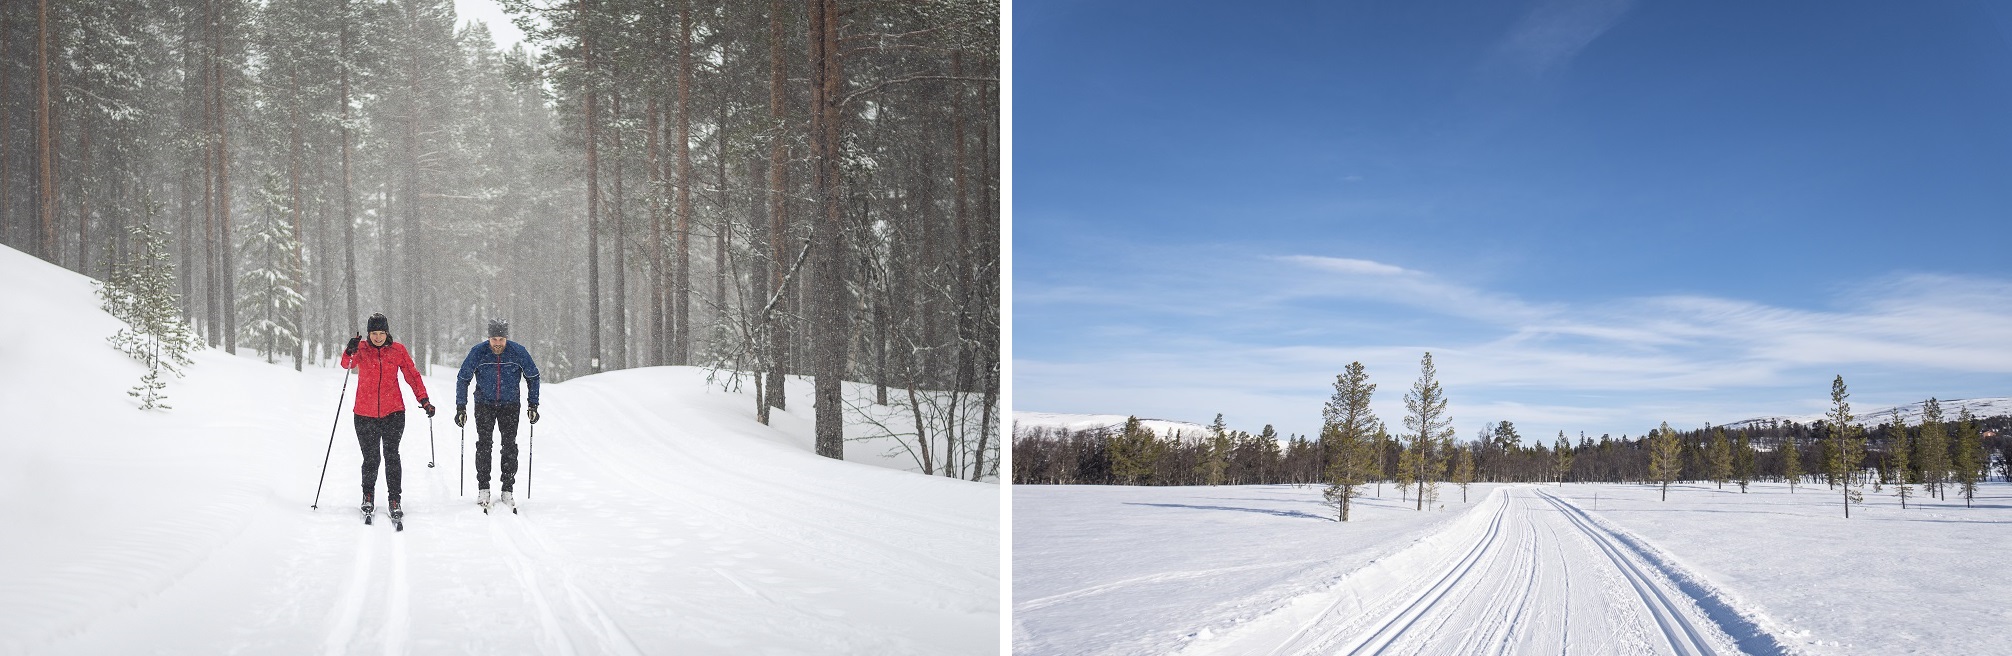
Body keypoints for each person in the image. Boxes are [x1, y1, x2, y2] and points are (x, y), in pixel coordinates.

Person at [341, 313, 434, 524]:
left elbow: (412, 375)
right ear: (368, 334)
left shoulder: (398, 350)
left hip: (393, 412)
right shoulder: (362, 349)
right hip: (364, 414)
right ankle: (368, 495)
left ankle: (394, 499)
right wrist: (350, 349)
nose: (377, 337)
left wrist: (424, 399)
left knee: (392, 456)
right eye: (374, 333)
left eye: (381, 333)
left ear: (387, 333)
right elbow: (346, 364)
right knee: (371, 458)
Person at [455, 318, 541, 511]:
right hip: (484, 404)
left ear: (506, 338)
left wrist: (533, 404)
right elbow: (463, 378)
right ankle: (483, 488)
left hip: (510, 405)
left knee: (509, 446)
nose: (497, 343)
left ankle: (507, 489)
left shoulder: (518, 352)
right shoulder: (479, 352)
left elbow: (533, 377)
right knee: (484, 445)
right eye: (494, 339)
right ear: (488, 338)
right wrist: (461, 407)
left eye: (501, 339)